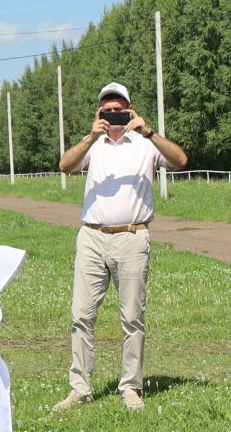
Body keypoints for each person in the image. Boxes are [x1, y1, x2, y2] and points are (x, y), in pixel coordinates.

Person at [53, 81, 190, 412]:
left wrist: (150, 131)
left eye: (120, 110)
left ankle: (130, 386)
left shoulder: (145, 143)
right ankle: (80, 388)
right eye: (107, 111)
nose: (114, 116)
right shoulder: (94, 145)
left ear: (130, 109)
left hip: (132, 236)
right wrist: (89, 136)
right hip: (92, 236)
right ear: (99, 112)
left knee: (132, 317)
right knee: (81, 315)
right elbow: (65, 166)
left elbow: (180, 160)